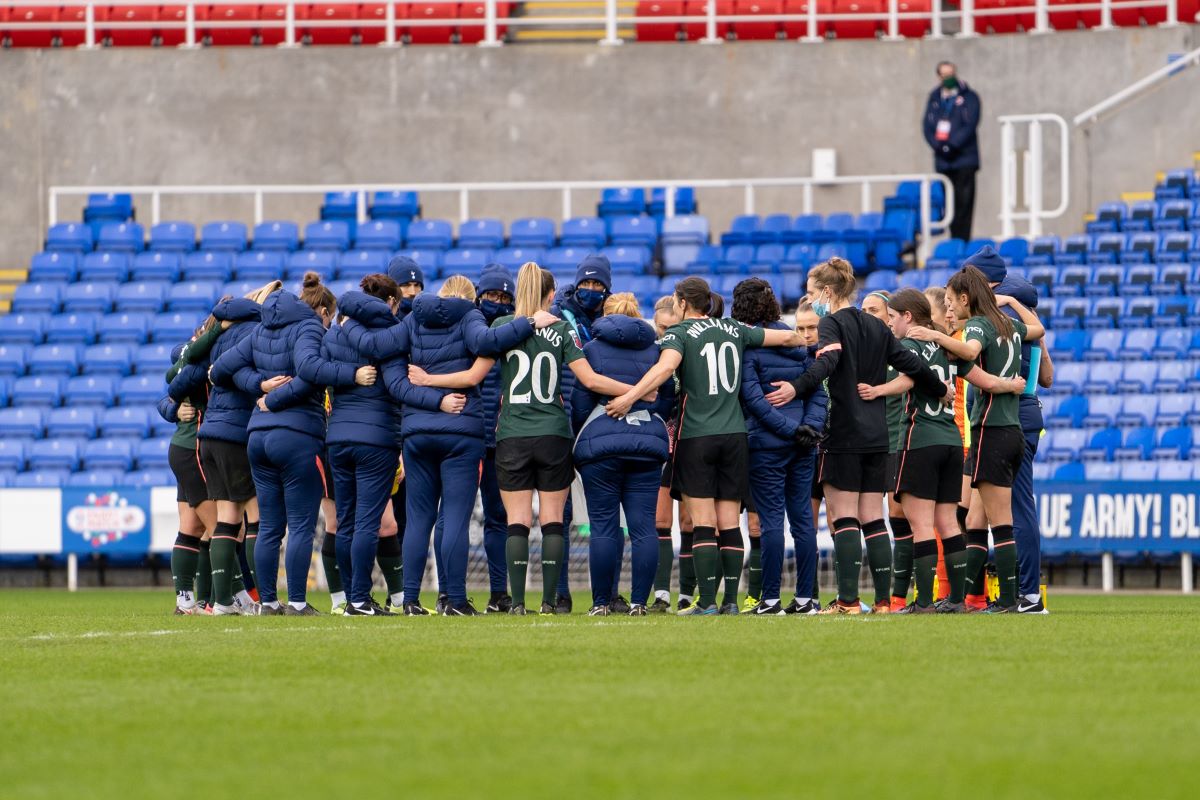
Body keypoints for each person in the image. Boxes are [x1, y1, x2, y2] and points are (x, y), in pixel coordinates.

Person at [605, 276, 806, 616]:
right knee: (729, 522)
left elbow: (664, 369)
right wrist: (806, 354)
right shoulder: (734, 328)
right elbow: (787, 335)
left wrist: (628, 397)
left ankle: (708, 602)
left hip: (697, 436)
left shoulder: (680, 335)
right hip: (735, 436)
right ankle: (731, 601)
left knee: (702, 523)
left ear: (683, 303)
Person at [763, 258, 952, 615]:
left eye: (811, 293)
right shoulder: (878, 326)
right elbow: (912, 365)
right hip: (878, 434)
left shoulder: (833, 323)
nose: (810, 300)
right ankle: (882, 603)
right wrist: (939, 387)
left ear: (828, 292)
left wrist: (796, 387)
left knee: (845, 515)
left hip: (845, 431)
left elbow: (828, 363)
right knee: (873, 517)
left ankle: (848, 601)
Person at [360, 274, 545, 616]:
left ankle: (411, 599)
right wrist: (530, 322)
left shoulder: (414, 317)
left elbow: (378, 346)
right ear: (470, 297)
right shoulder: (470, 316)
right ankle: (455, 600)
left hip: (417, 431)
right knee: (455, 519)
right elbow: (489, 342)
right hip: (461, 432)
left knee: (417, 520)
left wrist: (349, 326)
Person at [211, 273, 376, 616]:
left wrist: (259, 385)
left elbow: (220, 370)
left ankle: (268, 602)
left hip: (257, 437)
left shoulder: (259, 330)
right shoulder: (309, 328)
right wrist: (273, 395)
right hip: (297, 434)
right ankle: (298, 603)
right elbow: (310, 371)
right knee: (301, 524)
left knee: (270, 525)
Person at [859, 289, 1024, 612]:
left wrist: (878, 390)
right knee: (949, 523)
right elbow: (986, 380)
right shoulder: (948, 350)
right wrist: (1012, 385)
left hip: (920, 439)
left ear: (907, 317)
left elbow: (908, 380)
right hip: (952, 441)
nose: (890, 324)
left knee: (920, 525)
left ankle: (922, 602)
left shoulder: (908, 346)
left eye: (892, 318)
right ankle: (958, 600)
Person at [905, 266, 1044, 613]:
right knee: (977, 520)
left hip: (991, 430)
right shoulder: (1008, 324)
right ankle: (967, 598)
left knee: (1001, 521)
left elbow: (968, 352)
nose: (951, 308)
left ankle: (1012, 600)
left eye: (952, 301)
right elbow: (1039, 330)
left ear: (966, 299)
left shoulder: (981, 325)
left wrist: (935, 336)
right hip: (1012, 430)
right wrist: (1012, 301)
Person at [173, 282, 279, 615]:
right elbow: (176, 381)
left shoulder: (213, 343)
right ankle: (256, 597)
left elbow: (175, 380)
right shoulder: (255, 335)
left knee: (214, 523)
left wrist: (175, 404)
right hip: (227, 436)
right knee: (248, 518)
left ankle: (216, 601)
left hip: (204, 439)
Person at [962, 246, 1054, 614]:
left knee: (1016, 507)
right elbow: (1047, 377)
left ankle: (1028, 594)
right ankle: (1000, 592)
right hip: (1020, 415)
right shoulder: (1021, 322)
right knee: (987, 512)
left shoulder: (997, 322)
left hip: (1008, 417)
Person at [571, 293, 674, 616]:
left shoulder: (592, 350)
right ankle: (640, 602)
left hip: (601, 447)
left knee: (603, 527)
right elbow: (665, 399)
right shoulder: (656, 351)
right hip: (646, 444)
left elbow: (579, 404)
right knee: (644, 528)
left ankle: (602, 602)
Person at [733, 279, 827, 616]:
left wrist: (794, 430)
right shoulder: (797, 342)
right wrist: (809, 429)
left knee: (771, 521)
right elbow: (816, 389)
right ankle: (806, 599)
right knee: (803, 521)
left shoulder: (746, 344)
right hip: (802, 445)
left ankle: (770, 599)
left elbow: (754, 401)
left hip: (768, 444)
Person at [321, 274, 406, 616]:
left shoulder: (334, 335)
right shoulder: (391, 337)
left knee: (346, 521)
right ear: (388, 303)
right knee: (368, 523)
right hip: (376, 439)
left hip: (338, 437)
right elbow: (399, 387)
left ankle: (348, 599)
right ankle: (359, 598)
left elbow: (319, 372)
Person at [549, 254, 614, 614]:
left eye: (598, 285)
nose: (591, 290)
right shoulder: (559, 316)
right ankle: (559, 592)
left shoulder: (612, 319)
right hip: (564, 421)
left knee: (606, 512)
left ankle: (607, 594)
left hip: (600, 420)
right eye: (586, 284)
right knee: (561, 510)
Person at [160, 333, 217, 615]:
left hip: (182, 449)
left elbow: (168, 389)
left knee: (192, 528)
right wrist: (172, 408)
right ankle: (223, 599)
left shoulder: (184, 369)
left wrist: (171, 407)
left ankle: (188, 601)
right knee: (222, 528)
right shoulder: (200, 368)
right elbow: (166, 397)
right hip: (194, 450)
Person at [650, 295, 686, 613]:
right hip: (660, 443)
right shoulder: (651, 354)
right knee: (661, 521)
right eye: (662, 327)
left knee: (690, 521)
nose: (667, 334)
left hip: (688, 443)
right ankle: (662, 594)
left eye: (673, 328)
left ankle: (688, 595)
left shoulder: (689, 353)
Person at [923, 60, 981, 242]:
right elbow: (927, 127)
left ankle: (962, 242)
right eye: (944, 75)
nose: (949, 78)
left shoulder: (970, 97)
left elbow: (970, 124)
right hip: (943, 160)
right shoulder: (934, 98)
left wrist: (952, 145)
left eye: (951, 74)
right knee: (949, 205)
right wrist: (940, 146)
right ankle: (953, 242)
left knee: (964, 204)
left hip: (964, 160)